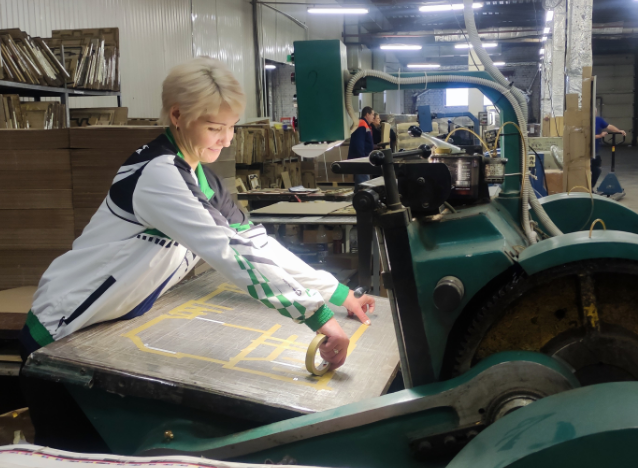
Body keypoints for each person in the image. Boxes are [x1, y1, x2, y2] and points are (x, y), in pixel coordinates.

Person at [19, 56, 375, 452]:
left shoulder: (202, 178)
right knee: (75, 456)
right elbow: (227, 252)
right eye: (214, 128)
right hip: (60, 333)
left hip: (102, 327)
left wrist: (336, 294)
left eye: (231, 127)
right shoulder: (157, 175)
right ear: (177, 115)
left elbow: (255, 244)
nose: (226, 140)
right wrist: (317, 317)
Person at [593, 113, 626, 189]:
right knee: (592, 170)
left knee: (597, 169)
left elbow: (609, 126)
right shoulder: (585, 122)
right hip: (587, 150)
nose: (594, 113)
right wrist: (600, 136)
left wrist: (619, 131)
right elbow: (587, 136)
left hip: (595, 151)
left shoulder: (598, 119)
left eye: (595, 112)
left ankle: (590, 188)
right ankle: (588, 189)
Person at [348, 106, 375, 185]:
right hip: (361, 159)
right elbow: (358, 143)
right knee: (363, 183)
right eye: (372, 115)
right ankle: (361, 197)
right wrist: (362, 159)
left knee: (363, 181)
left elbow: (366, 142)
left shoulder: (366, 125)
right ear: (367, 114)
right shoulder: (362, 124)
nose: (373, 117)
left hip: (364, 158)